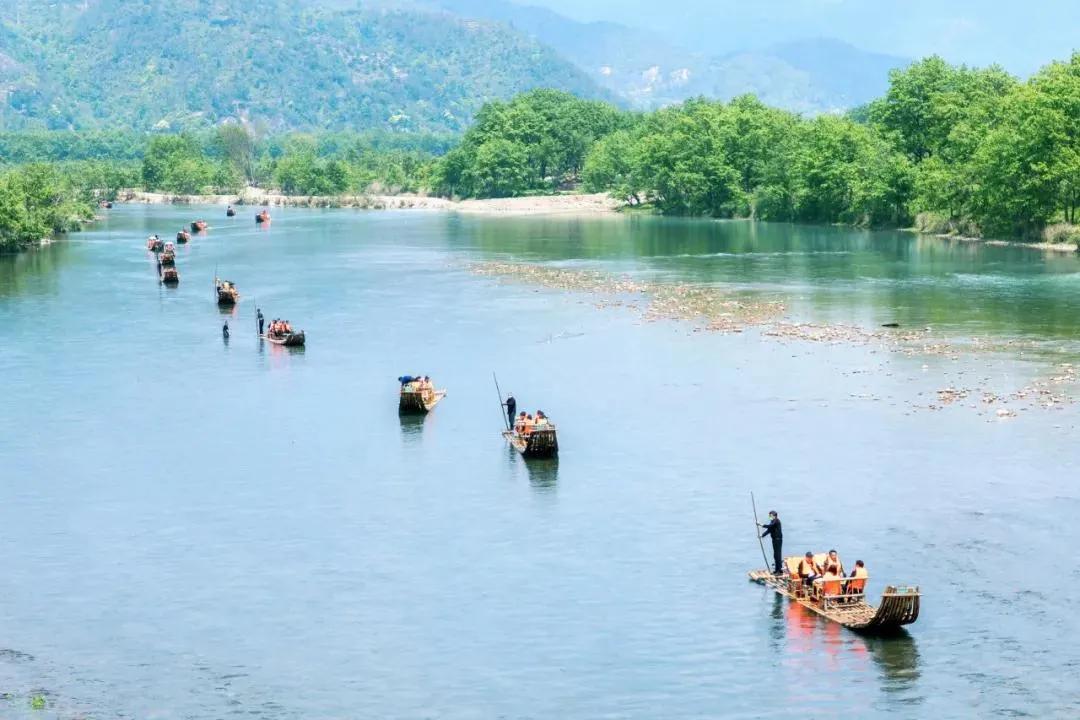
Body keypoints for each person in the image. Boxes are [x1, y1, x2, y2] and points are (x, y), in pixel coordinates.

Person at [760, 511, 783, 575]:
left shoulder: (776, 521)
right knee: (775, 555)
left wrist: (762, 525)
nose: (769, 517)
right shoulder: (772, 521)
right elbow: (769, 530)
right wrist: (762, 535)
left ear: (774, 516)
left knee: (778, 555)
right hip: (774, 540)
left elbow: (770, 526)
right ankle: (776, 570)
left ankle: (779, 571)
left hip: (778, 540)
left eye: (770, 516)